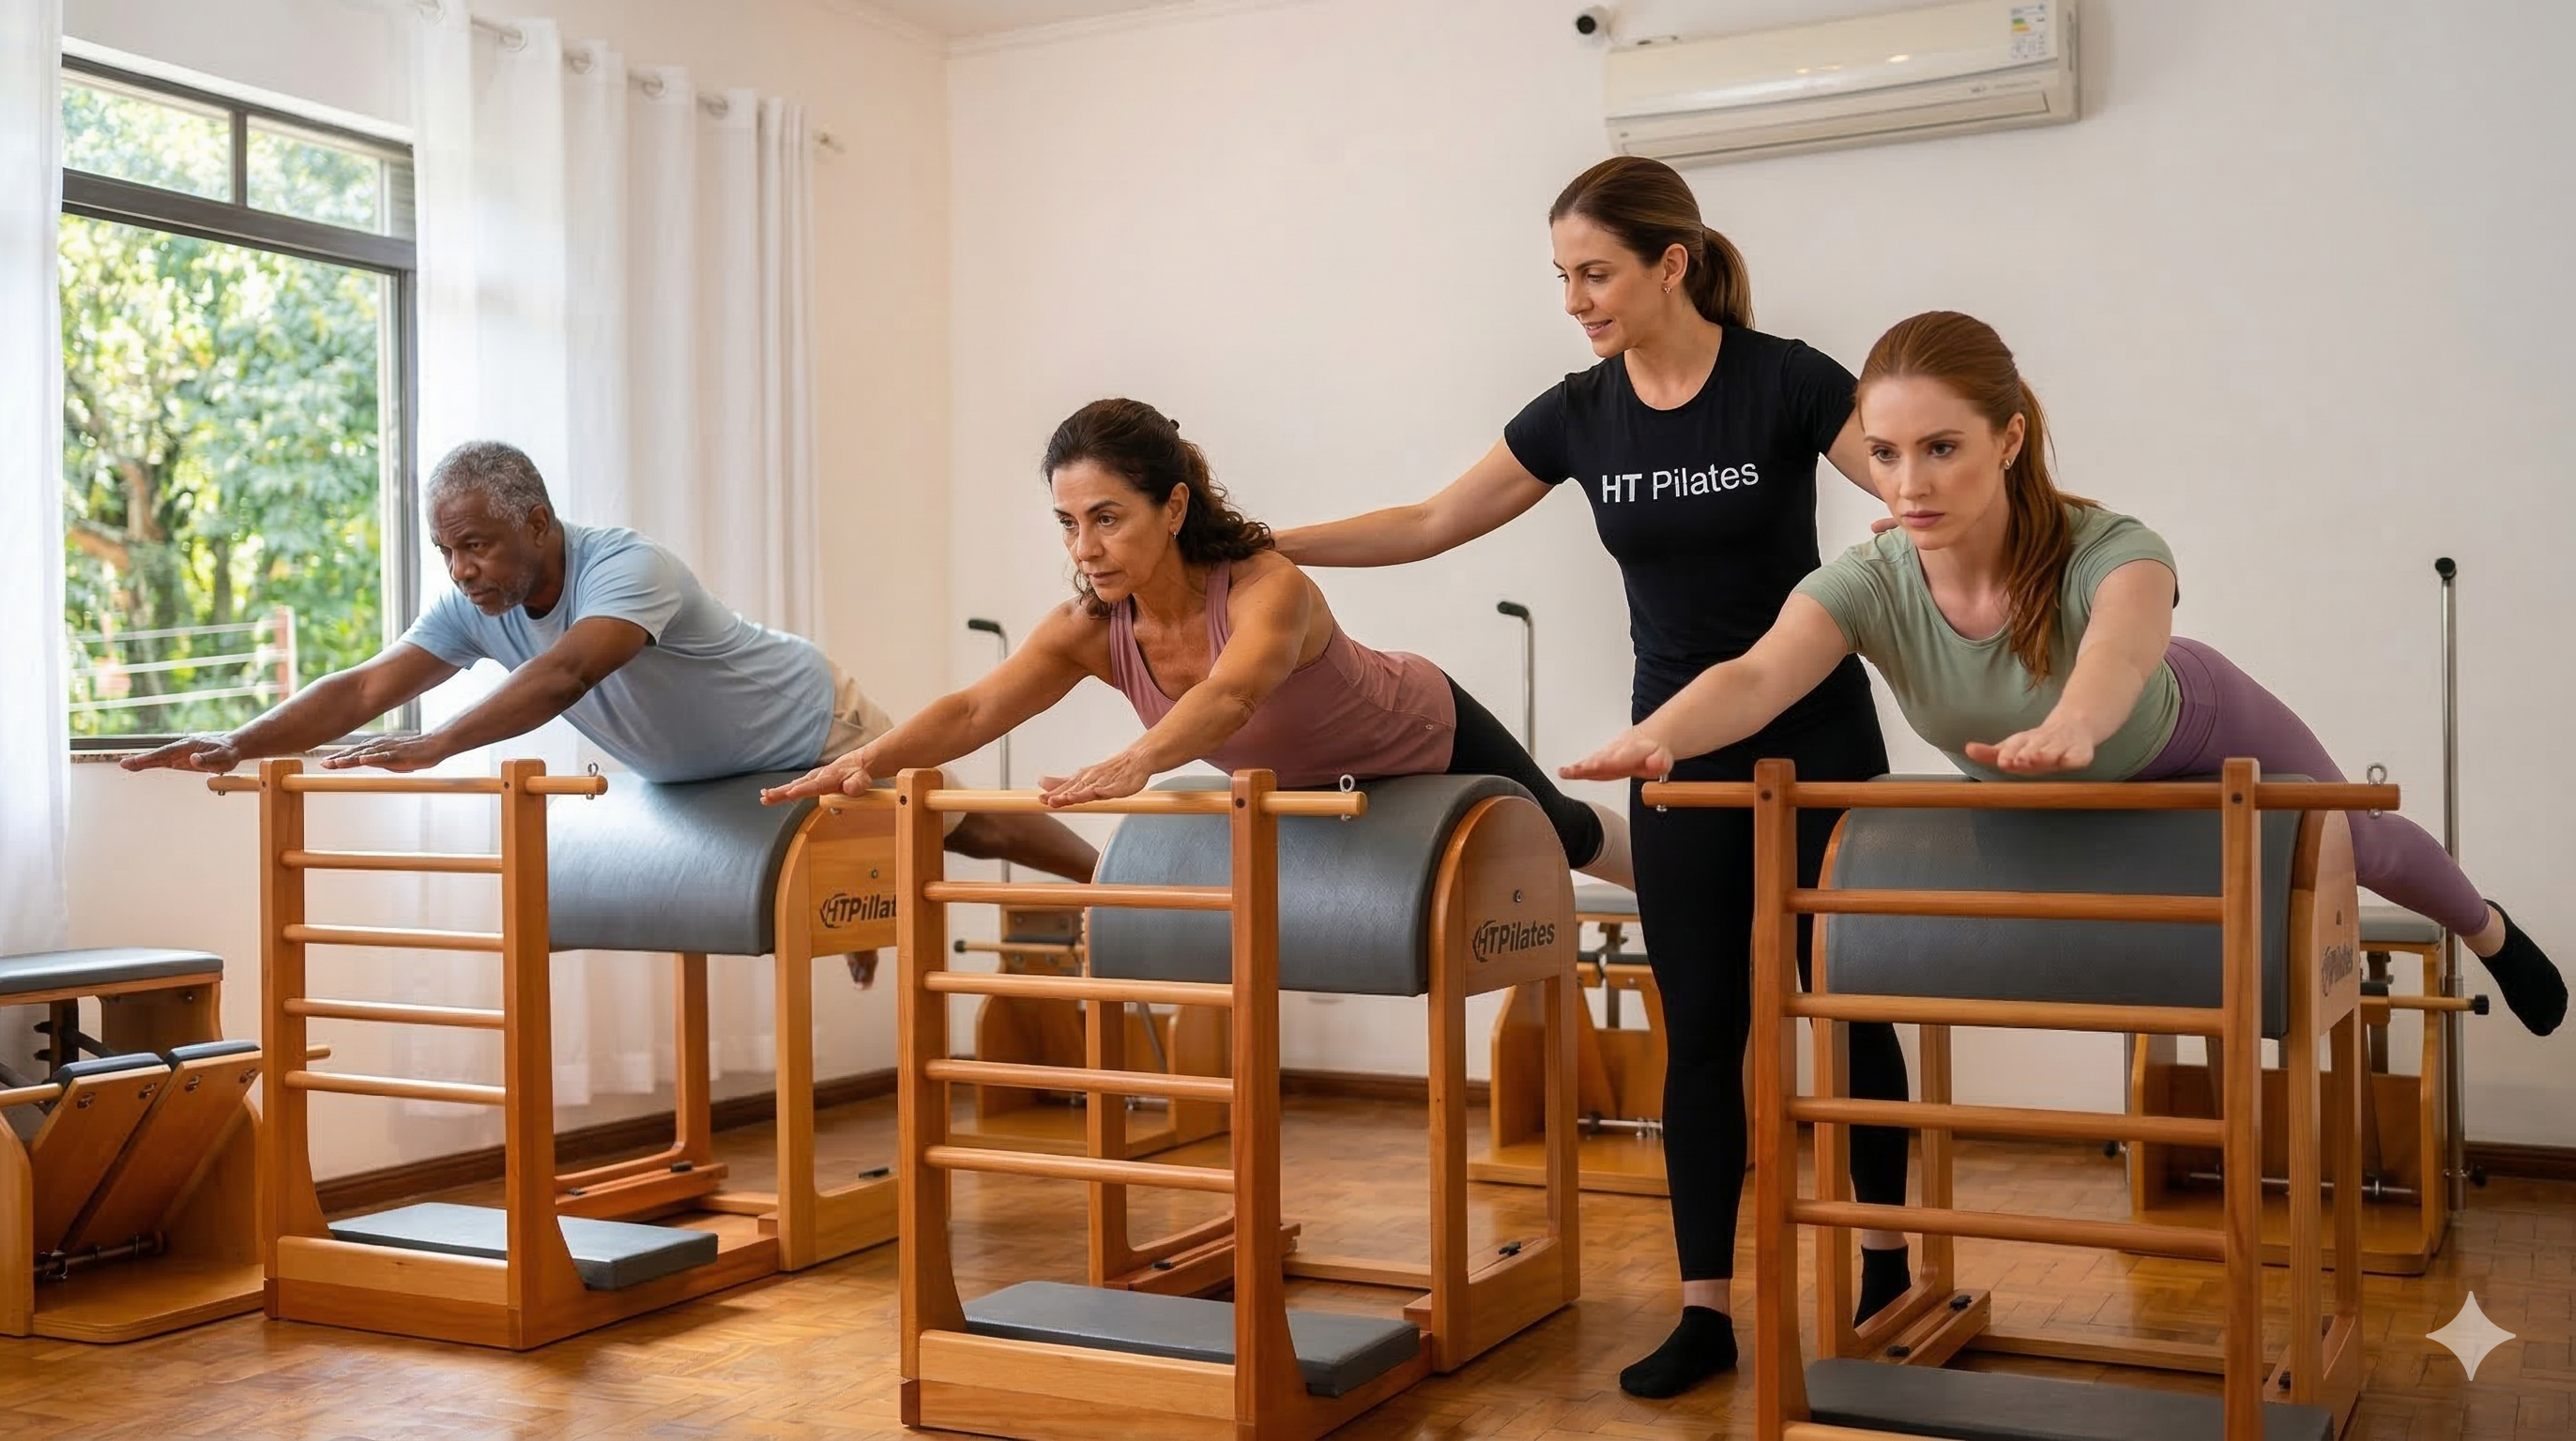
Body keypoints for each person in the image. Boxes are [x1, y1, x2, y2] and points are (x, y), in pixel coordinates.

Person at [1269, 155, 1910, 1395]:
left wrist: (1908, 507)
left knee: (1847, 998)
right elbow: (1425, 523)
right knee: (1705, 1023)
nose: (1575, 299)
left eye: (1596, 272)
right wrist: (1263, 541)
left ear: (1674, 262)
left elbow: (1900, 477)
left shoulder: (1786, 379)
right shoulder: (1579, 413)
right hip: (1673, 745)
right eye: (1562, 277)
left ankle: (1884, 1267)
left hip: (1820, 729)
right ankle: (1705, 1311)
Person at [1563, 307, 2566, 1050]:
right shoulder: (1866, 583)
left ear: (2007, 440)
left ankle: (2485, 928)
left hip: (2191, 730)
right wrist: (1662, 734)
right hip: (2049, 780)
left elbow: (2119, 654)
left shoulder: (2111, 547)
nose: (1908, 484)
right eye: (1885, 455)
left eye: (1942, 449)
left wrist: (2076, 728)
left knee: (2356, 838)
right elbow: (1753, 675)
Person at [125, 440, 1099, 987]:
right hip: (696, 778)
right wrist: (241, 741)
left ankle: (1109, 888)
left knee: (960, 824)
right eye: (446, 551)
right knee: (845, 873)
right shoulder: (477, 605)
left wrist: (436, 747)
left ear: (537, 525)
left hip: (803, 725)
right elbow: (367, 686)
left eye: (478, 546)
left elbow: (565, 678)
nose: (463, 571)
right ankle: (857, 914)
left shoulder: (626, 566)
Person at [764, 399, 1633, 892]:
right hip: (1317, 788)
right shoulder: (1089, 631)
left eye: (1108, 519)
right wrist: (865, 762)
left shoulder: (1265, 586)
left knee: (1560, 834)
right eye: (1068, 524)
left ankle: (1676, 885)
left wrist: (1139, 759)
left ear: (1173, 509)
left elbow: (1232, 695)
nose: (1085, 549)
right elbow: (978, 707)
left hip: (1423, 732)